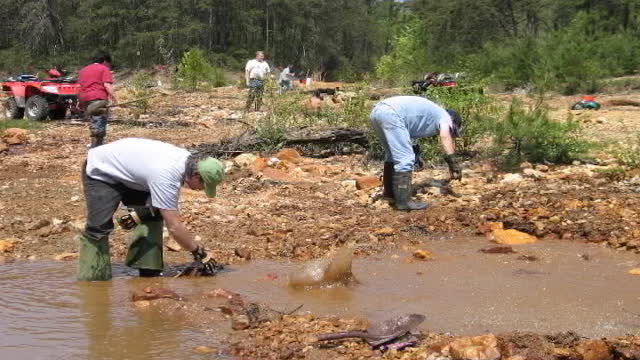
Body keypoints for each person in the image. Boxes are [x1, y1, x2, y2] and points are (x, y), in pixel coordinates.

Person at [77, 138, 225, 281]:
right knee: (99, 227)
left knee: (153, 216)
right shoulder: (167, 175)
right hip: (102, 170)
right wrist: (198, 252)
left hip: (133, 175)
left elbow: (163, 203)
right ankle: (93, 279)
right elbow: (174, 227)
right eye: (204, 185)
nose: (201, 190)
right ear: (196, 175)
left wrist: (143, 213)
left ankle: (148, 272)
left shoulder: (188, 162)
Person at [369, 96, 463, 211]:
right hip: (391, 114)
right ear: (453, 121)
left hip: (377, 112)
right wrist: (453, 162)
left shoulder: (432, 114)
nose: (451, 135)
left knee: (392, 155)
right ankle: (403, 202)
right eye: (452, 131)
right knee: (405, 158)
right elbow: (444, 136)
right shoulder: (445, 116)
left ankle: (390, 194)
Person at [78, 51, 118, 147]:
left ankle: (96, 144)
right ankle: (96, 148)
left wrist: (79, 103)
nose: (108, 66)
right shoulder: (104, 69)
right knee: (99, 123)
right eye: (108, 64)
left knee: (94, 121)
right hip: (97, 98)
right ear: (104, 61)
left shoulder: (83, 70)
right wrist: (116, 99)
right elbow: (107, 85)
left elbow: (79, 87)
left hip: (85, 100)